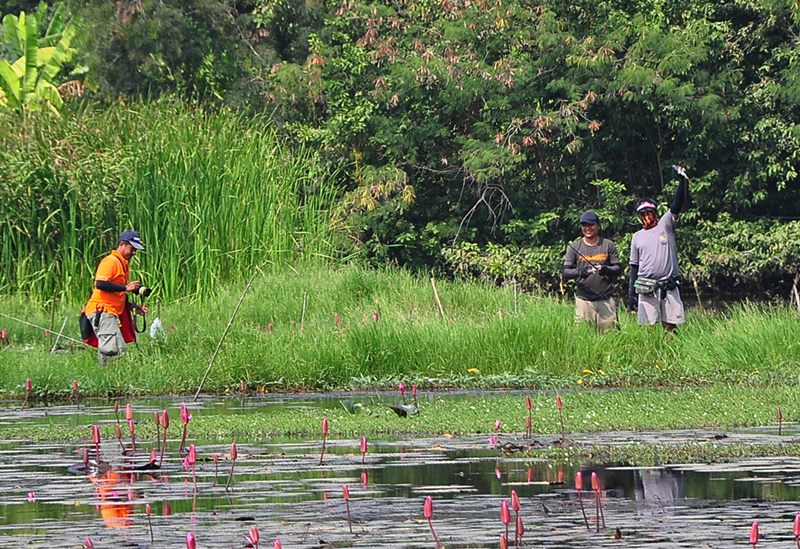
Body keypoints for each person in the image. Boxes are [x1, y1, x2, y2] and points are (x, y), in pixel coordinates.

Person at [628, 167, 689, 332]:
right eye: (643, 214)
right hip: (646, 286)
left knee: (671, 326)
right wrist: (632, 294)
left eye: (649, 212)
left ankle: (671, 353)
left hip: (669, 285)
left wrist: (683, 181)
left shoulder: (665, 224)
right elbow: (634, 266)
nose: (646, 216)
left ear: (655, 212)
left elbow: (677, 204)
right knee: (647, 328)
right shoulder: (637, 237)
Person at [82, 230, 148, 364]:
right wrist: (126, 287)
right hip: (102, 311)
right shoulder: (110, 261)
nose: (134, 252)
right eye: (132, 248)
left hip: (109, 312)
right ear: (122, 244)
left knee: (114, 349)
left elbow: (115, 293)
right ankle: (110, 381)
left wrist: (132, 307)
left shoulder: (122, 264)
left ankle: (109, 378)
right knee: (113, 350)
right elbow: (100, 284)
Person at [562, 211, 622, 333]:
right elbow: (566, 272)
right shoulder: (574, 246)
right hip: (583, 300)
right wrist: (580, 272)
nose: (587, 228)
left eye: (591, 225)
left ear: (598, 226)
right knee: (582, 336)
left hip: (605, 299)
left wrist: (605, 269)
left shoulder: (608, 245)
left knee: (611, 336)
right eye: (584, 225)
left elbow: (618, 269)